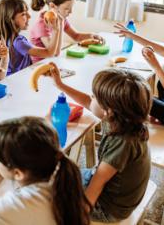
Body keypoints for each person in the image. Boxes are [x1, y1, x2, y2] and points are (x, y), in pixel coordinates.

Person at [49, 64, 151, 222]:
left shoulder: (122, 142)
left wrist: (79, 216)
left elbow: (98, 183)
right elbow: (87, 102)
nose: (90, 97)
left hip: (108, 208)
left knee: (48, 195)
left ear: (108, 111)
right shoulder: (125, 119)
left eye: (94, 96)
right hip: (118, 191)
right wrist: (60, 85)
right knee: (61, 176)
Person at [30, 0, 104, 63]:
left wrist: (92, 36)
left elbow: (76, 36)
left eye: (71, 8)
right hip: (39, 65)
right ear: (52, 6)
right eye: (67, 8)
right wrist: (60, 25)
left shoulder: (60, 18)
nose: (71, 12)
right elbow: (55, 53)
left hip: (53, 62)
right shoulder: (41, 25)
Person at [0, 0, 63, 75]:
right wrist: (56, 30)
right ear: (11, 19)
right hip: (17, 81)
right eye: (23, 14)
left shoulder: (7, 39)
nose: (29, 16)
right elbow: (49, 53)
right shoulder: (19, 42)